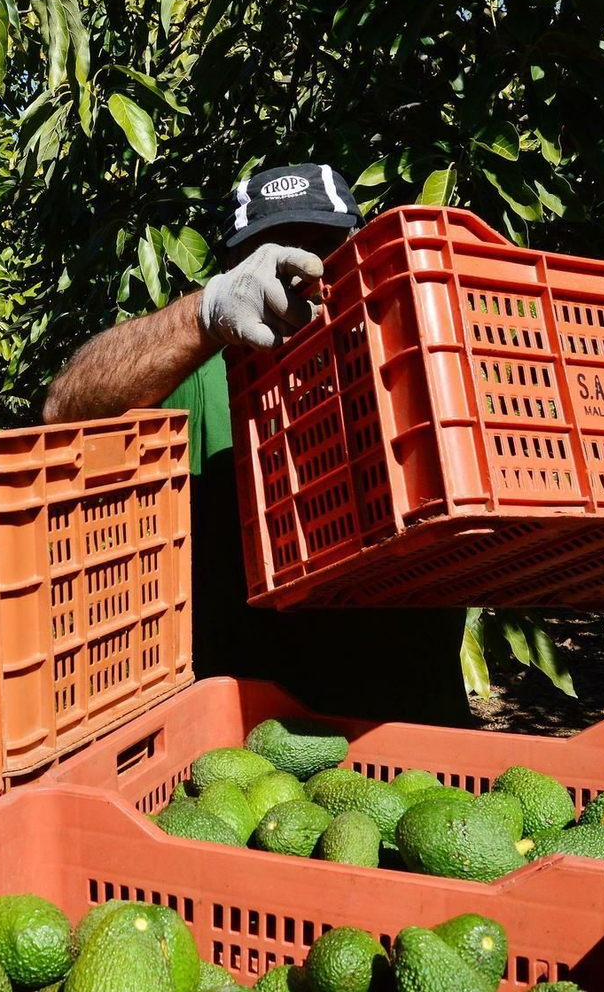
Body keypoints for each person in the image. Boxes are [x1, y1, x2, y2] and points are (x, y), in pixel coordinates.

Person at [44, 164, 471, 725]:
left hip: (411, 735)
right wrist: (205, 314)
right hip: (252, 742)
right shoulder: (203, 375)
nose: (297, 274)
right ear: (235, 269)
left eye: (321, 248)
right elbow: (62, 410)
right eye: (272, 254)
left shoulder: (411, 358)